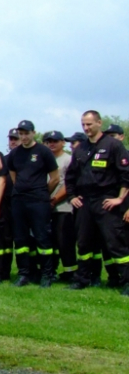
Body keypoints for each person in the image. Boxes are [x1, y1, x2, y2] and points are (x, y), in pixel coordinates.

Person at [65, 111, 129, 294]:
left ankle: (126, 281)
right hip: (85, 202)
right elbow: (70, 176)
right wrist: (72, 196)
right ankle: (82, 279)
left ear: (99, 123)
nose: (86, 128)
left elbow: (126, 174)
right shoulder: (80, 149)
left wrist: (120, 199)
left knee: (115, 243)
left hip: (106, 200)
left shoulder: (114, 146)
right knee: (84, 243)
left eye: (89, 124)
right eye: (83, 124)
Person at [6, 121, 60, 287]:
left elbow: (55, 178)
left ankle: (46, 274)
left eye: (26, 133)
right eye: (21, 134)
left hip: (38, 201)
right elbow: (13, 176)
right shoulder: (15, 154)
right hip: (19, 200)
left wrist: (42, 193)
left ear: (33, 133)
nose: (23, 137)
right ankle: (24, 273)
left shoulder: (44, 151)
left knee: (42, 237)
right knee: (21, 239)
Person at [43, 131, 77, 278]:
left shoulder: (68, 159)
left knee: (64, 239)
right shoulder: (44, 159)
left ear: (63, 142)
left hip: (63, 205)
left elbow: (69, 184)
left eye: (55, 141)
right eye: (49, 141)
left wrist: (55, 199)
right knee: (50, 241)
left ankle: (70, 271)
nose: (52, 144)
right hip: (45, 205)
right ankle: (52, 270)